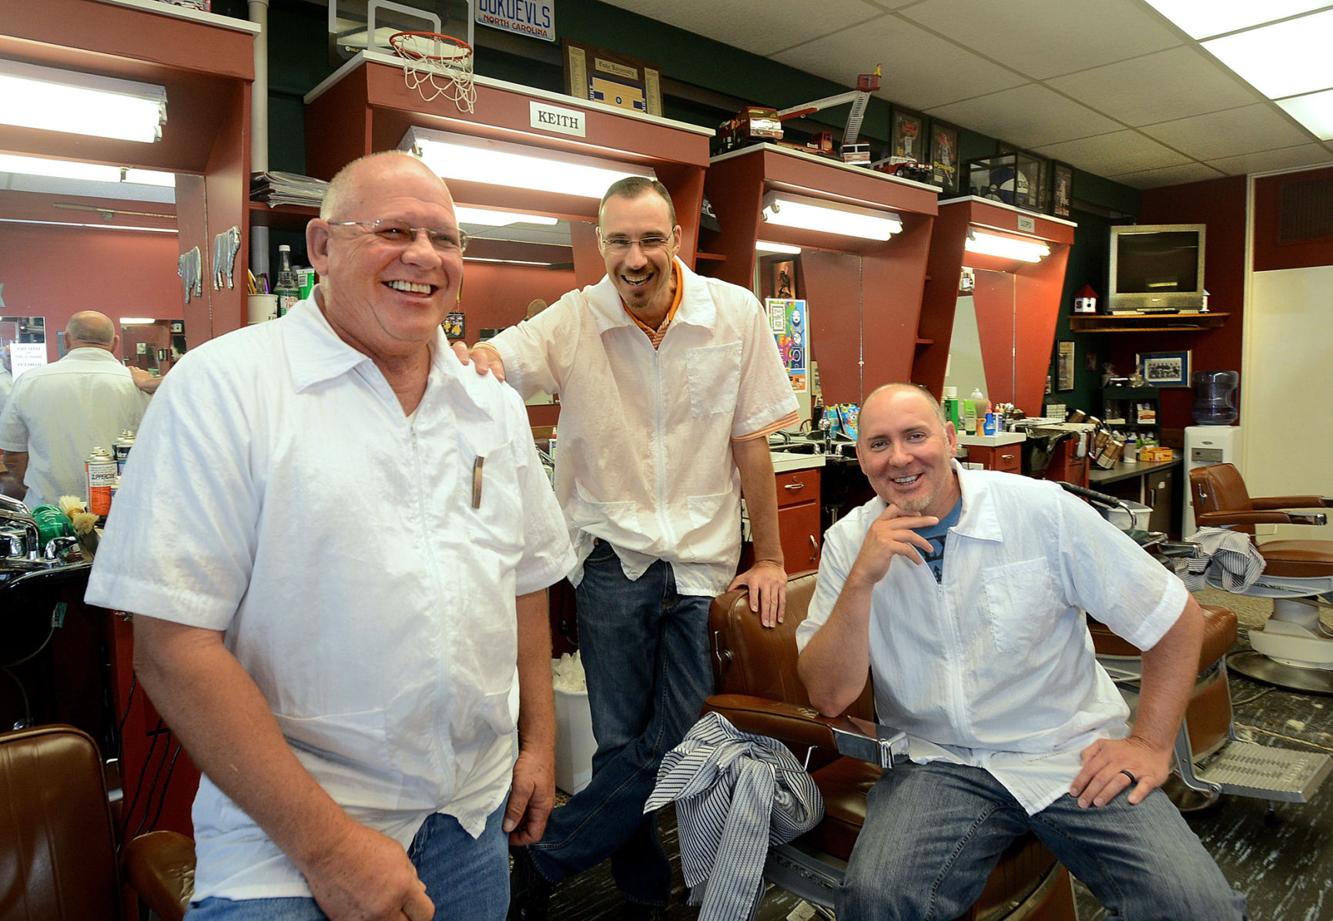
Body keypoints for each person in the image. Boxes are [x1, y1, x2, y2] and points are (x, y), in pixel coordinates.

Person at [85, 151, 575, 921]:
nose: (424, 256)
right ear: (320, 246)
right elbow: (173, 648)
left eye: (445, 239)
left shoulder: (492, 406)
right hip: (286, 839)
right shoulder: (225, 389)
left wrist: (538, 744)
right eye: (392, 230)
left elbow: (524, 579)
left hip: (467, 817)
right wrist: (329, 848)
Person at [461, 177, 799, 918]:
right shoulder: (575, 318)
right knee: (620, 741)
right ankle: (642, 889)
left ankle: (543, 859)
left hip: (701, 556)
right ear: (599, 243)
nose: (634, 257)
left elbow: (751, 444)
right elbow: (495, 360)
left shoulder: (732, 314)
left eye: (649, 239)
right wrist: (478, 359)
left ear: (675, 238)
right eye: (619, 241)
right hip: (611, 558)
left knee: (677, 738)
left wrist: (767, 555)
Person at [797, 383, 1247, 921]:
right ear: (860, 458)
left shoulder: (1040, 510)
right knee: (877, 902)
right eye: (879, 444)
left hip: (1068, 752)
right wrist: (862, 582)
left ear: (949, 439)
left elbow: (1174, 616)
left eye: (915, 436)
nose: (900, 458)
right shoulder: (849, 543)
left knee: (1197, 907)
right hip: (938, 762)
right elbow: (829, 695)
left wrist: (1150, 742)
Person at [0, 311, 150, 507]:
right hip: (122, 509)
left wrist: (38, 490)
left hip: (49, 512)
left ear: (68, 340)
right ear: (115, 342)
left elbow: (13, 456)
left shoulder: (30, 381)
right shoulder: (141, 385)